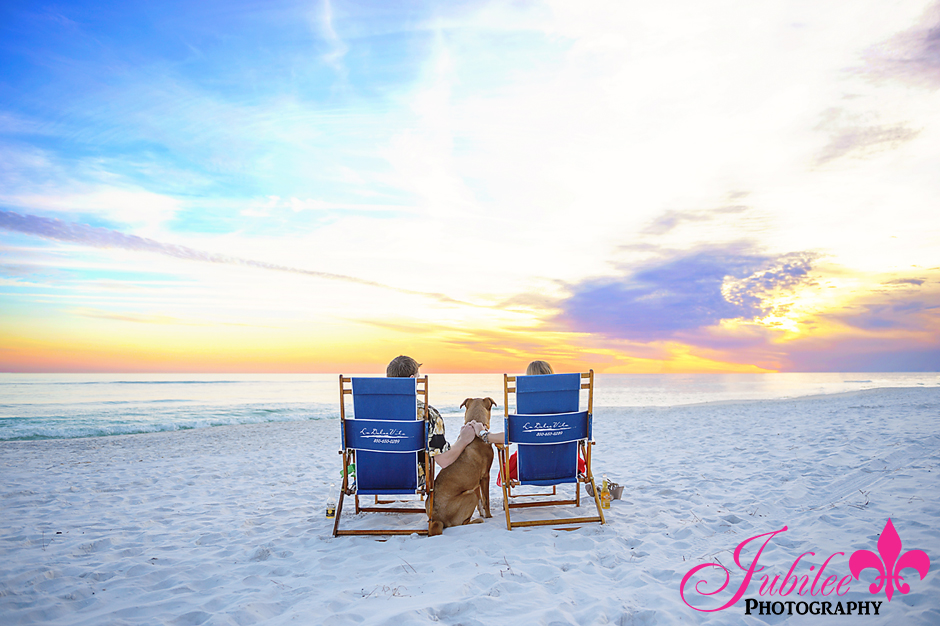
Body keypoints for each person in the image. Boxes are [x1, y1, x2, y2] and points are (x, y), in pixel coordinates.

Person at [386, 355, 480, 470]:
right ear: (412, 380)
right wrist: (463, 440)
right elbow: (444, 460)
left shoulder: (365, 412)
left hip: (367, 479)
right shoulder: (427, 413)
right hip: (408, 478)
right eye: (418, 379)